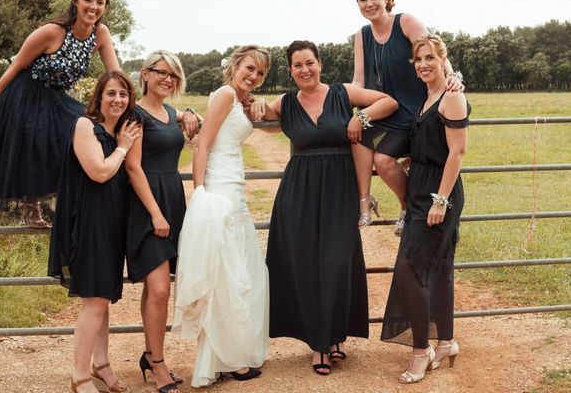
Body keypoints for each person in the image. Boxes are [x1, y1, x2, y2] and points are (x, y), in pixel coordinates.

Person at [251, 40, 397, 375]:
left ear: (320, 64)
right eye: (297, 65)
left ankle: (335, 335)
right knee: (304, 265)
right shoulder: (286, 102)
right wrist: (256, 104)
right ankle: (320, 344)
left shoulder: (344, 93)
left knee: (335, 262)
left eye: (310, 63)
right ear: (290, 70)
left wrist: (360, 116)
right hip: (298, 193)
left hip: (339, 190)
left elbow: (388, 102)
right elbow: (259, 112)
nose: (305, 70)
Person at [0, 0, 120, 228]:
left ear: (105, 7)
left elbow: (115, 74)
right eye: (88, 0)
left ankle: (78, 198)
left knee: (90, 127)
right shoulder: (52, 31)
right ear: (75, 1)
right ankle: (31, 203)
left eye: (100, 2)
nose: (93, 6)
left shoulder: (100, 34)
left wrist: (125, 104)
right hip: (25, 93)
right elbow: (15, 66)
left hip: (56, 96)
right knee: (40, 136)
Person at [172, 45, 270, 387]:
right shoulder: (226, 93)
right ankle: (223, 360)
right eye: (249, 68)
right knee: (225, 277)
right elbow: (203, 144)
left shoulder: (238, 99)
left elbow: (268, 119)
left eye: (259, 72)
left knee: (238, 274)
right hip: (220, 191)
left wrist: (255, 102)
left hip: (235, 188)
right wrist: (199, 194)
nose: (253, 76)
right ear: (235, 66)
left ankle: (231, 354)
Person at [380, 34, 469, 384]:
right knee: (441, 267)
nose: (423, 64)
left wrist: (441, 200)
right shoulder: (427, 98)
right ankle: (446, 341)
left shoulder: (452, 97)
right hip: (419, 189)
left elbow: (457, 153)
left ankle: (422, 351)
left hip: (438, 194)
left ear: (442, 60)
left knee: (408, 268)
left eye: (430, 58)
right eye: (418, 59)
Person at [47, 71, 141, 393]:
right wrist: (123, 148)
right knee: (95, 301)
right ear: (99, 96)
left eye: (124, 95)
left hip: (112, 222)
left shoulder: (119, 132)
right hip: (89, 223)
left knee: (104, 299)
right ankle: (79, 375)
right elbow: (99, 172)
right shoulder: (85, 126)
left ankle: (101, 365)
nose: (117, 100)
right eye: (111, 93)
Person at [351, 0, 462, 235]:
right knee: (355, 135)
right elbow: (358, 79)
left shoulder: (405, 22)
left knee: (384, 160)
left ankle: (407, 207)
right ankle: (364, 201)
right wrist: (351, 108)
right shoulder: (361, 35)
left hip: (415, 112)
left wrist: (453, 77)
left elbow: (433, 51)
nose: (369, 3)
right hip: (385, 109)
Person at [123, 50, 199, 393]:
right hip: (147, 205)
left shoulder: (169, 111)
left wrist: (190, 114)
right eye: (161, 73)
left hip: (172, 198)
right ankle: (157, 363)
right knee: (159, 288)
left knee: (159, 288)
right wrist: (155, 213)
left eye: (173, 75)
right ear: (145, 74)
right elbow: (133, 167)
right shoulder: (135, 114)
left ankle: (150, 354)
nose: (167, 79)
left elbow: (182, 117)